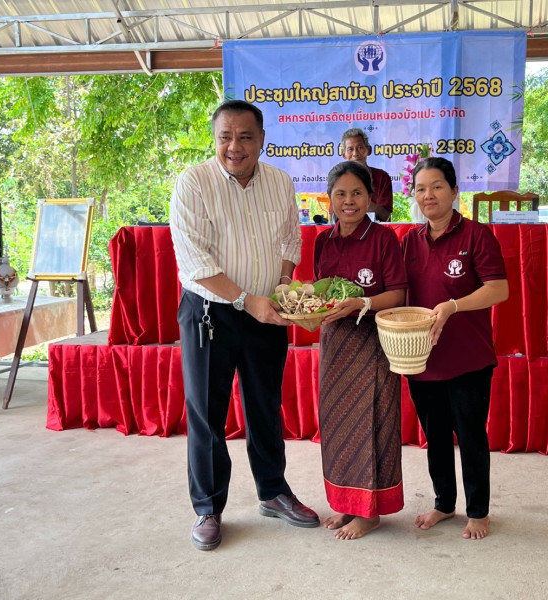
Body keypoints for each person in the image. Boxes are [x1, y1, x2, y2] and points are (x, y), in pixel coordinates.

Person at [170, 99, 320, 551]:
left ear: (262, 140)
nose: (234, 146)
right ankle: (208, 508)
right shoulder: (193, 183)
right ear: (215, 139)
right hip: (209, 313)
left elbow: (289, 239)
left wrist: (283, 285)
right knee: (207, 414)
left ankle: (273, 492)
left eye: (245, 137)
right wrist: (244, 300)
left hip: (267, 311)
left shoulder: (279, 181)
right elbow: (195, 261)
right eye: (225, 137)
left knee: (265, 406)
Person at [400, 157, 509, 540]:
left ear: (454, 191)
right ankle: (444, 503)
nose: (428, 195)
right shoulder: (409, 241)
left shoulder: (476, 236)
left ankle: (478, 511)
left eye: (436, 186)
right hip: (422, 359)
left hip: (468, 359)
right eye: (420, 189)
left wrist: (453, 306)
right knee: (436, 439)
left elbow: (499, 289)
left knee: (471, 436)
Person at [314, 160, 407, 540]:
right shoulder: (323, 240)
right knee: (337, 423)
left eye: (357, 193)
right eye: (341, 194)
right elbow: (320, 292)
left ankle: (370, 513)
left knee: (373, 423)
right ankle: (346, 502)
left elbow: (398, 294)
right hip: (335, 343)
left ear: (370, 198)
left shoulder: (384, 239)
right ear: (329, 199)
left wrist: (362, 303)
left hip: (373, 342)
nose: (349, 201)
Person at [340, 128, 393, 222]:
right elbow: (334, 215)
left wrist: (360, 200)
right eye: (350, 149)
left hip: (375, 230)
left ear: (368, 150)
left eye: (360, 147)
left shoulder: (382, 177)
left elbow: (385, 216)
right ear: (344, 155)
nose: (355, 153)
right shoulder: (338, 179)